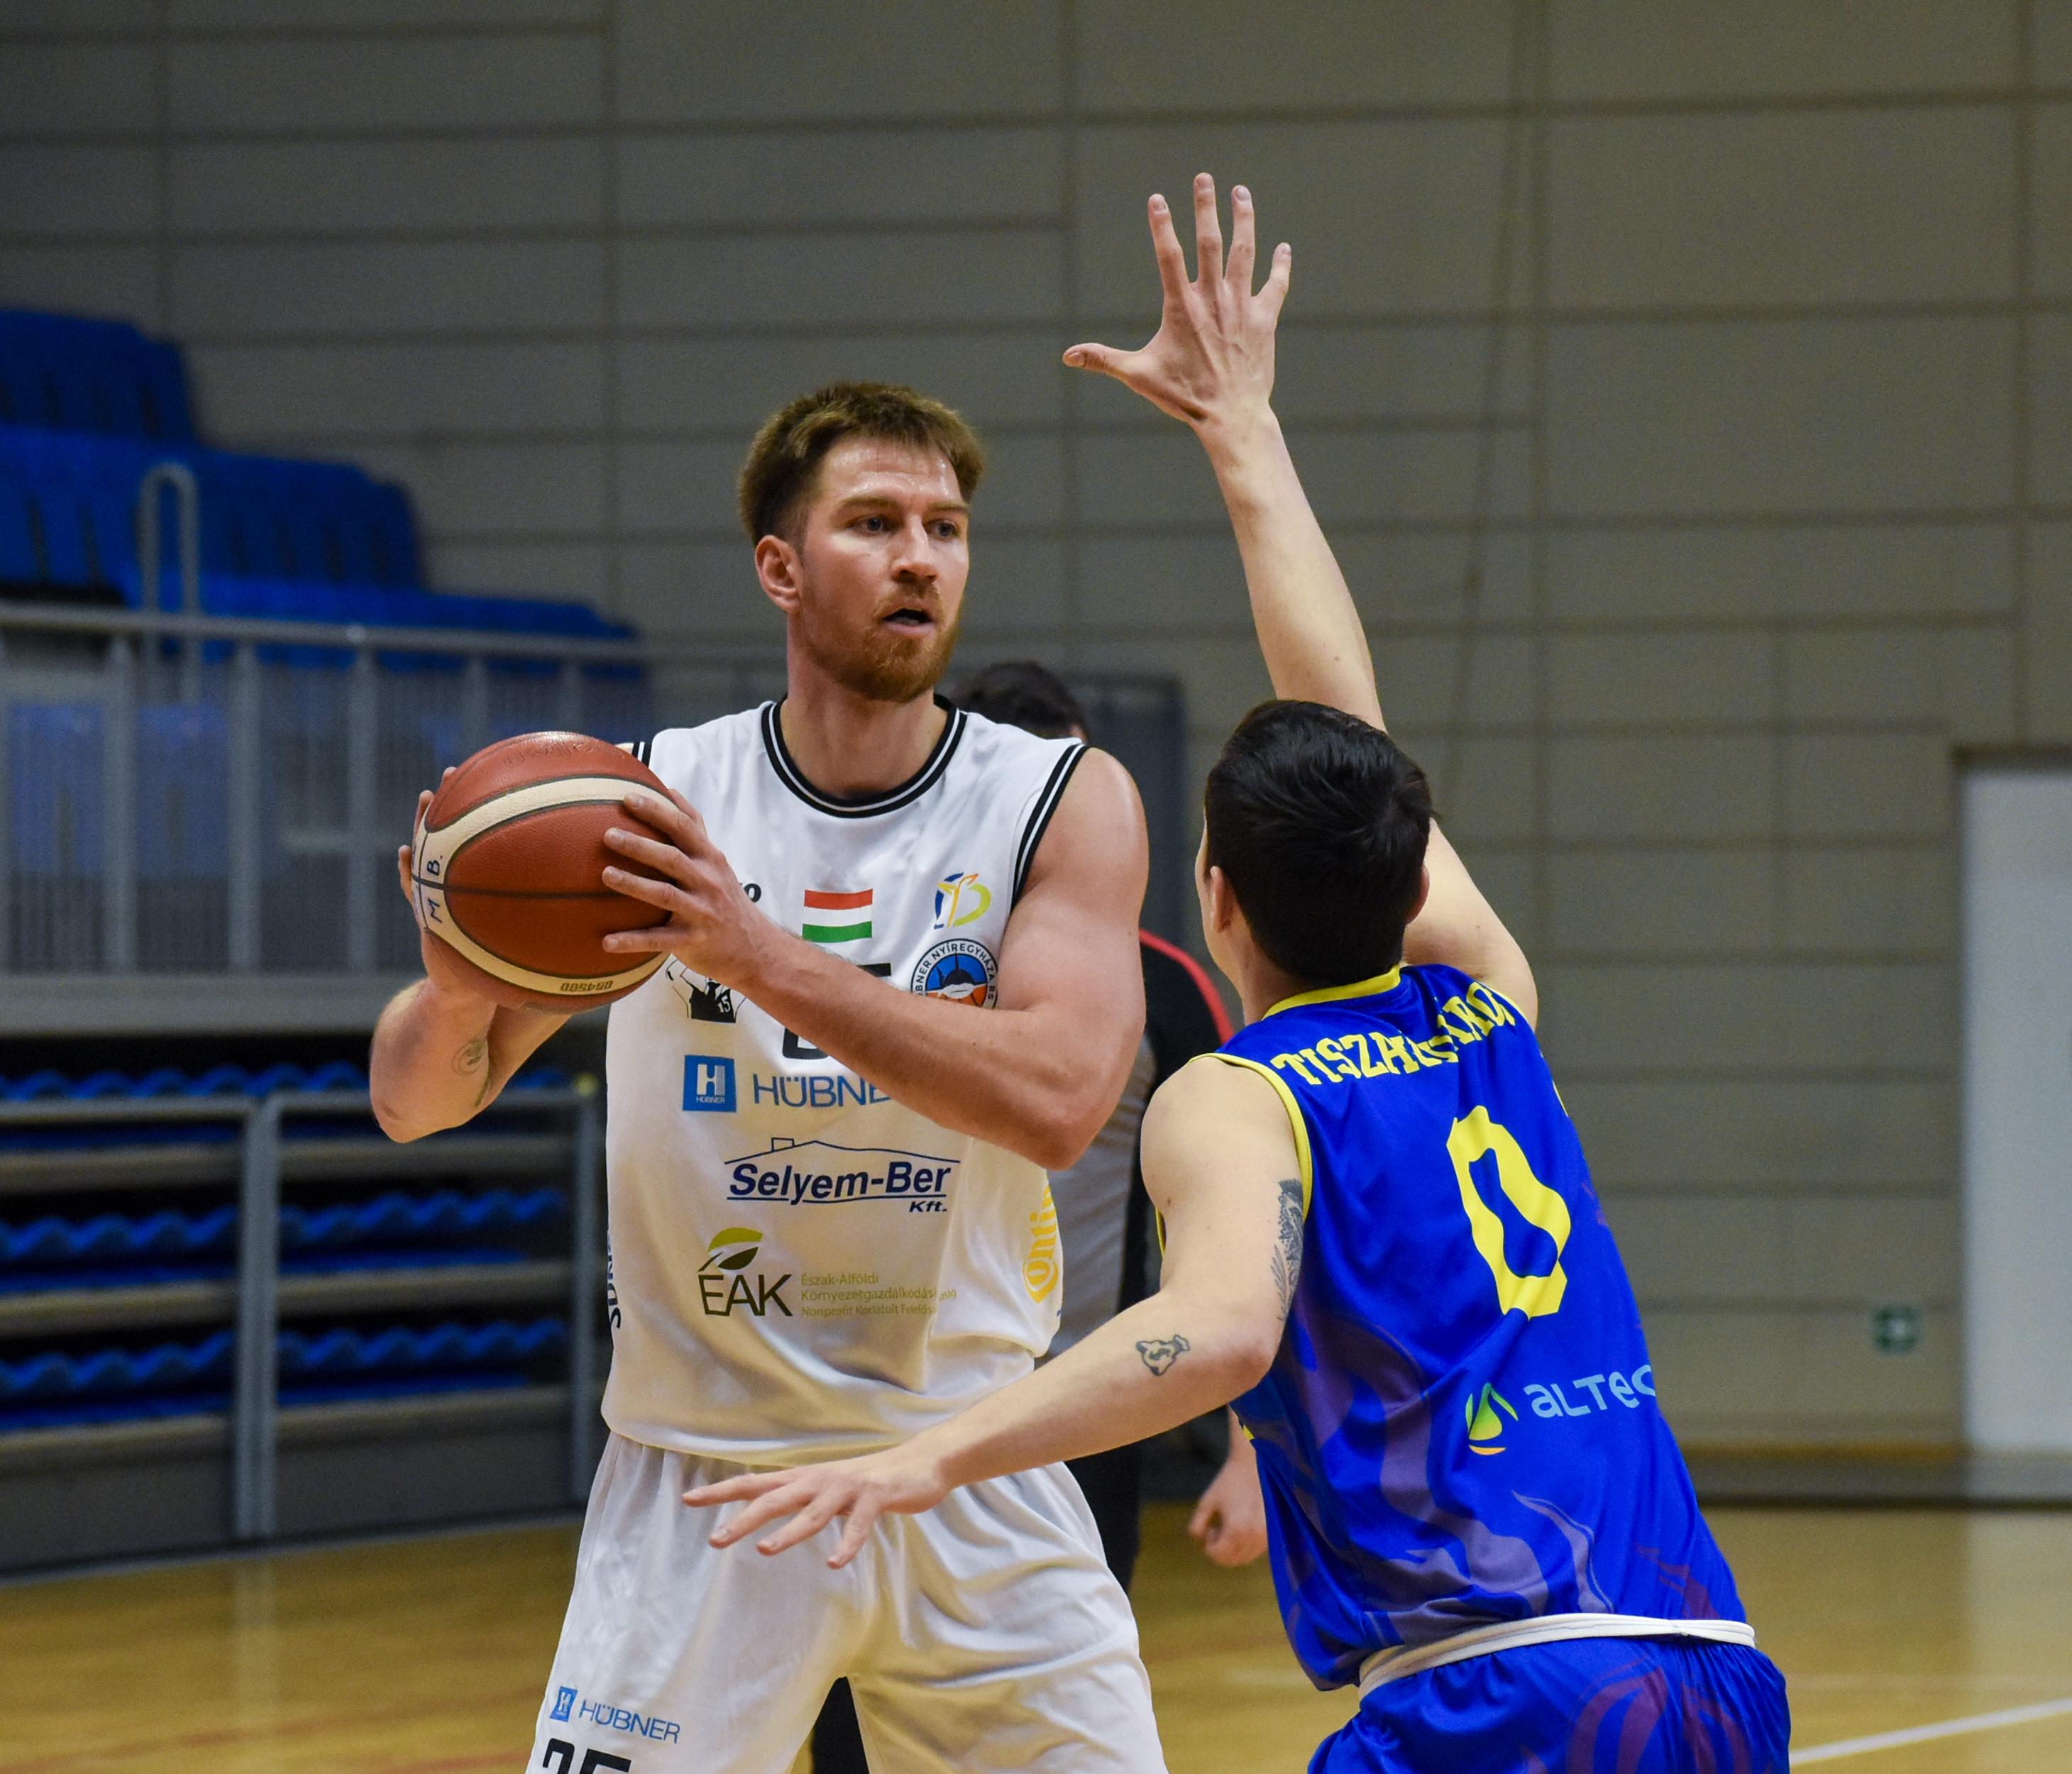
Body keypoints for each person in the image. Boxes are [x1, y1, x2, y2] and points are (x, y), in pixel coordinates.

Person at [687, 178, 1793, 1774]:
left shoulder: (1236, 1094)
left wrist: (926, 1456)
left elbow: (1211, 1333)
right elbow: (1352, 726)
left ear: (1211, 897)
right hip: (1709, 1668)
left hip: (1495, 1694)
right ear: (1408, 878)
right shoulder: (1492, 1010)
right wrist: (1242, 431)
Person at [371, 383, 1172, 1774]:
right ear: (780, 568)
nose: (919, 557)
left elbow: (1059, 1100)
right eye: (874, 523)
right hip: (701, 1474)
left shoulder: (1056, 796)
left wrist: (754, 953)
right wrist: (457, 986)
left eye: (945, 527)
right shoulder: (643, 805)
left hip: (969, 1461)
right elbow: (414, 1100)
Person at [808, 658, 1251, 1774]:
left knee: (1048, 1729)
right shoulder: (863, 963)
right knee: (847, 1724)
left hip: (1073, 1413)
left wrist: (1250, 1450)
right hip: (870, 1403)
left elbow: (1237, 1230)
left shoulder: (1163, 989)